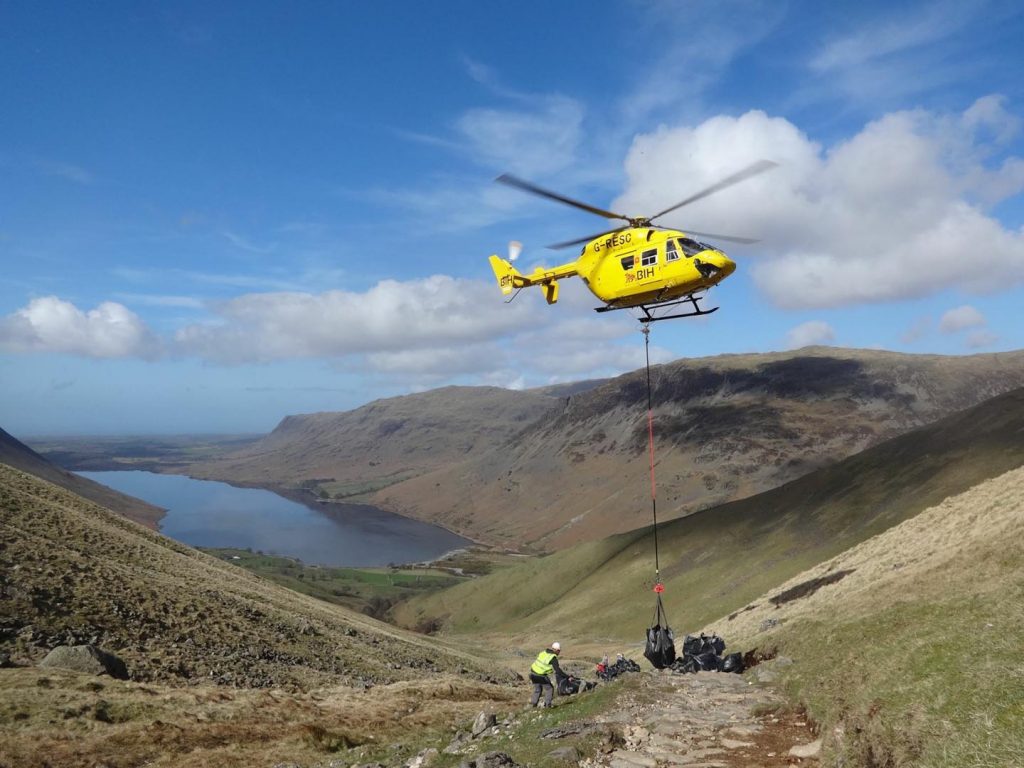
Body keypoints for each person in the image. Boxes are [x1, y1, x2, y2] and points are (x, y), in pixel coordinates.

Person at [529, 641, 563, 708]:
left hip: (532, 673)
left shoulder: (543, 652)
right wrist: (566, 676)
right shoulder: (553, 658)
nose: (559, 652)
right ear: (557, 650)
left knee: (538, 689)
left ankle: (533, 704)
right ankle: (548, 705)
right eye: (559, 651)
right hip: (540, 675)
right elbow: (558, 670)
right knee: (549, 689)